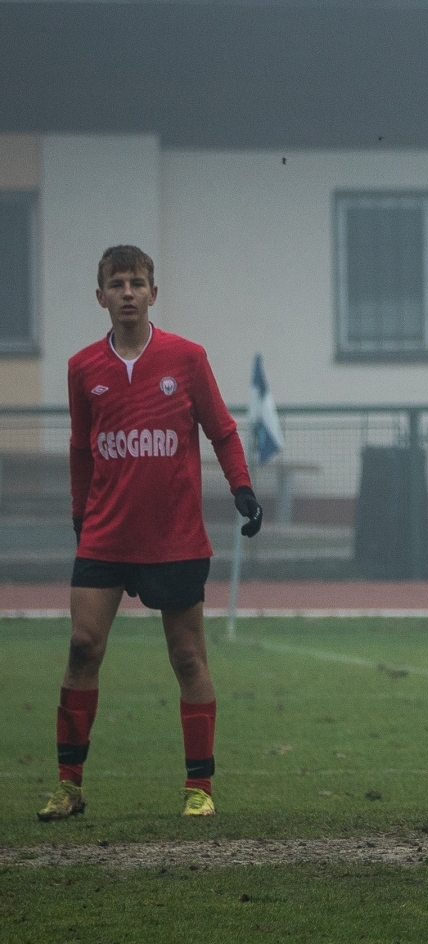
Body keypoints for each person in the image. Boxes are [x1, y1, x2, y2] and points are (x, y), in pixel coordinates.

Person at [42, 245, 263, 823]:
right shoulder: (82, 367)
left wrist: (241, 487)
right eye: (117, 284)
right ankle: (68, 787)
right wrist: (79, 512)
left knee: (187, 657)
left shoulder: (186, 358)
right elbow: (80, 447)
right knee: (82, 647)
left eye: (137, 283)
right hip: (105, 535)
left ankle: (199, 788)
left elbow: (222, 430)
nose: (128, 293)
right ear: (101, 297)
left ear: (153, 294)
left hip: (174, 538)